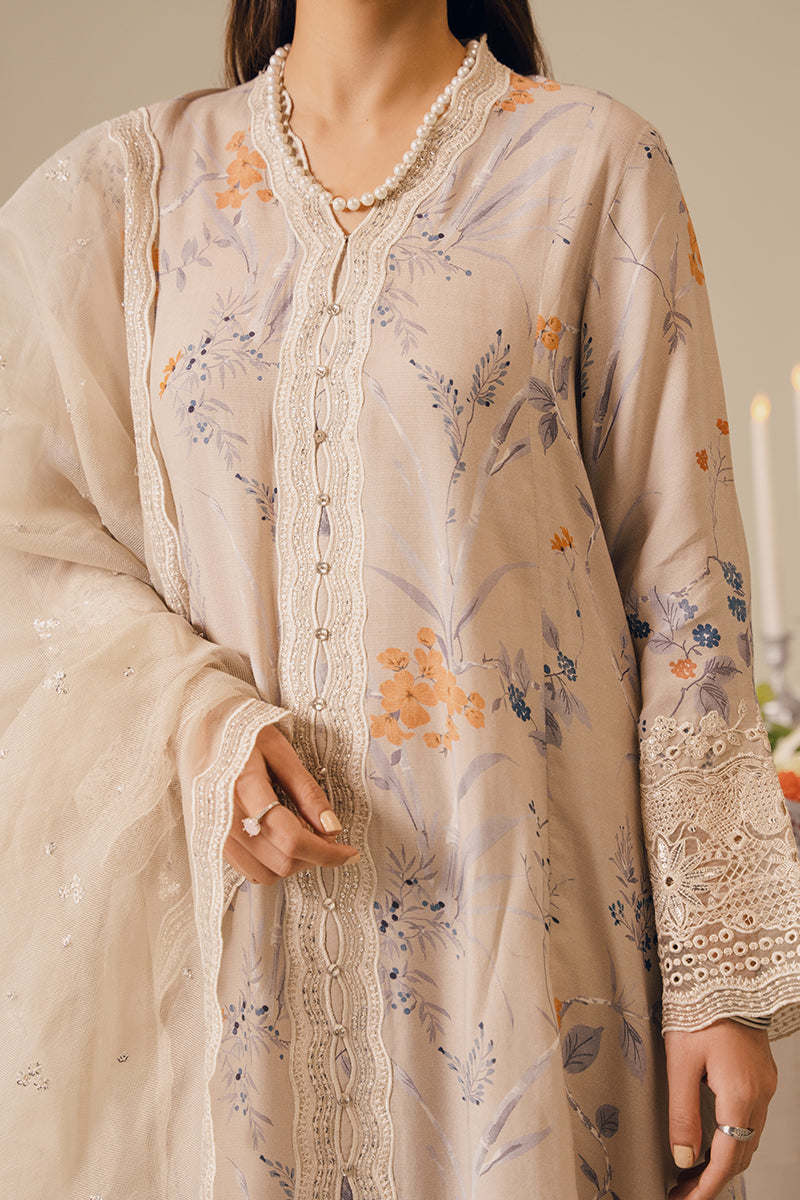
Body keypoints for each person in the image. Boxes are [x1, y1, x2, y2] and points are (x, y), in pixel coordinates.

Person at [1, 1, 798, 1197]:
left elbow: (682, 583)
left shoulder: (587, 163)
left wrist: (716, 980)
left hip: (521, 950)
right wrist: (199, 726)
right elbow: (24, 537)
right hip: (244, 954)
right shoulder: (136, 192)